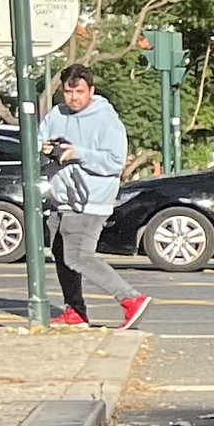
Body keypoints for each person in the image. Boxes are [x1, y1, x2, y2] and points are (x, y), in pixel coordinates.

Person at [38, 65, 149, 330]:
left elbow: (113, 162)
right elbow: (38, 143)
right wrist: (43, 149)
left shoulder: (106, 120)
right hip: (61, 200)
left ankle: (131, 298)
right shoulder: (56, 115)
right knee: (61, 254)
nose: (73, 98)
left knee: (77, 256)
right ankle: (75, 311)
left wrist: (76, 153)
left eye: (79, 92)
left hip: (91, 201)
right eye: (68, 91)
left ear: (91, 90)